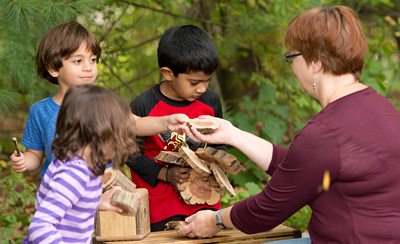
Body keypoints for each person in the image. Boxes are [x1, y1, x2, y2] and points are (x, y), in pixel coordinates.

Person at [178, 5, 400, 243]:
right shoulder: (382, 108)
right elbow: (305, 168)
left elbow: (265, 212)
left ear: (315, 63)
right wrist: (233, 135)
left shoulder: (325, 132)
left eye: (292, 56)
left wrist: (215, 220)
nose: (292, 66)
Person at [10, 21, 189, 179]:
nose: (88, 67)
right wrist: (24, 162)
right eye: (78, 61)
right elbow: (35, 155)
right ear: (53, 68)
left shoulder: (103, 104)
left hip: (99, 194)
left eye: (93, 59)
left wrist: (167, 121)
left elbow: (135, 124)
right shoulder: (39, 111)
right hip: (58, 197)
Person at [126, 24, 225, 231]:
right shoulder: (144, 105)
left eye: (207, 81)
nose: (202, 88)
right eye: (194, 82)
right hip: (159, 203)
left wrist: (218, 173)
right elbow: (129, 154)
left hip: (204, 198)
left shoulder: (210, 102)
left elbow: (220, 146)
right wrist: (165, 174)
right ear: (168, 73)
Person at [21, 85, 138, 243]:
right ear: (99, 134)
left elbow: (69, 200)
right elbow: (40, 227)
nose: (121, 145)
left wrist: (96, 201)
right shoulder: (72, 174)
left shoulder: (86, 167)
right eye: (119, 137)